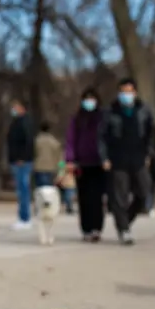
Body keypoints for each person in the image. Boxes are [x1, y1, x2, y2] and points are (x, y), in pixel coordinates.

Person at [99, 78, 155, 245]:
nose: (126, 95)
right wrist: (105, 158)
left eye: (129, 92)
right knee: (119, 196)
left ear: (135, 93)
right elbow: (102, 137)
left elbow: (150, 134)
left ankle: (126, 220)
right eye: (123, 92)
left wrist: (149, 154)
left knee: (144, 191)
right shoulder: (110, 112)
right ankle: (123, 229)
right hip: (118, 158)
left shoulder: (144, 110)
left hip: (138, 156)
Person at [65, 88, 105, 242]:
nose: (89, 102)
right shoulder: (76, 119)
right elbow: (70, 140)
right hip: (81, 162)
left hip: (99, 162)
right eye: (86, 99)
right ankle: (86, 228)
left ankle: (97, 227)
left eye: (92, 99)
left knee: (97, 197)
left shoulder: (102, 118)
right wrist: (69, 159)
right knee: (84, 197)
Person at [6, 99, 35, 230]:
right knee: (20, 190)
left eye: (15, 107)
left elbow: (28, 141)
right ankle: (22, 217)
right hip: (15, 159)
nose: (13, 109)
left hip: (22, 161)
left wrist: (22, 157)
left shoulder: (25, 122)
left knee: (23, 189)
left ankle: (25, 218)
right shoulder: (16, 122)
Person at [33, 122, 61, 188]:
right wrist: (60, 168)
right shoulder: (54, 141)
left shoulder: (37, 140)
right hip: (51, 168)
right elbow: (58, 156)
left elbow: (34, 154)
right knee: (48, 189)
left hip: (39, 167)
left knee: (39, 189)